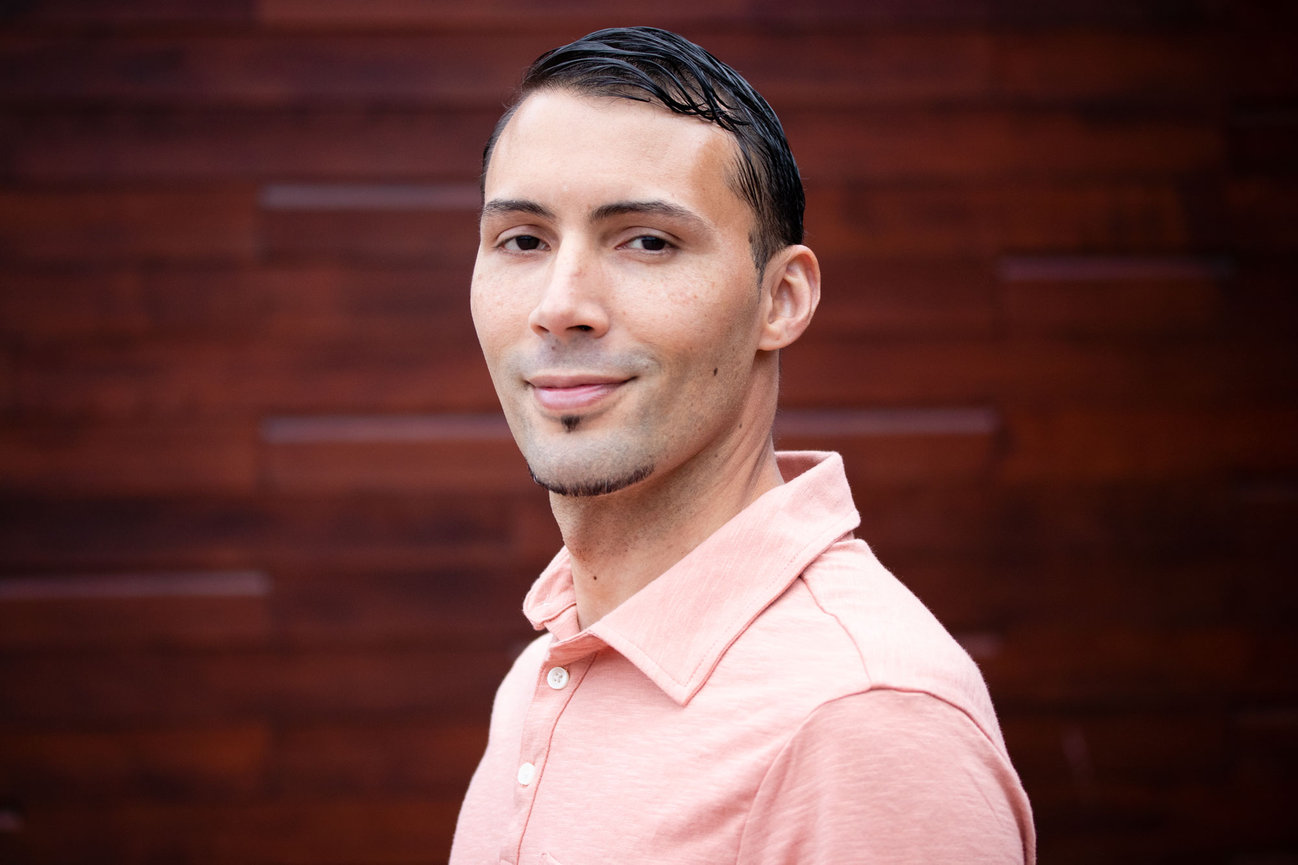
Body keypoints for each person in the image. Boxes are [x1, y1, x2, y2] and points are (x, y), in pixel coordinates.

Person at [451, 26, 1035, 864]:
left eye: (647, 240)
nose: (560, 304)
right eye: (523, 240)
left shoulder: (862, 720)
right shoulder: (550, 663)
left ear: (782, 298)